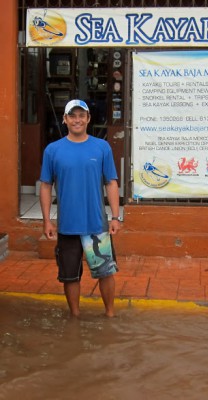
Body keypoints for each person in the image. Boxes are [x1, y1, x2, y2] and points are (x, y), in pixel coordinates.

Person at [39, 99, 121, 318]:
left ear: (88, 119)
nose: (77, 120)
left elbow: (111, 182)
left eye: (81, 115)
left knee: (105, 273)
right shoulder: (53, 150)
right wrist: (47, 220)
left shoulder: (101, 147)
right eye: (72, 116)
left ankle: (110, 315)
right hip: (67, 226)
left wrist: (115, 216)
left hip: (96, 224)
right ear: (65, 120)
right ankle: (75, 317)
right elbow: (46, 186)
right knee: (70, 276)